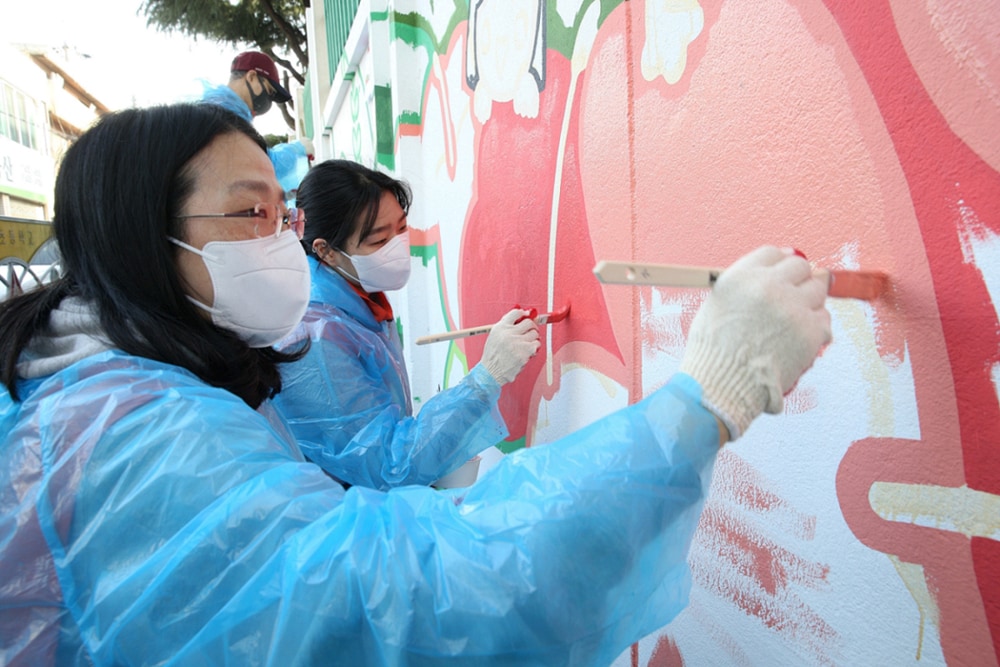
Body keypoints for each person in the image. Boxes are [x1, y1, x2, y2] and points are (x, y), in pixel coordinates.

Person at [0, 103, 831, 666]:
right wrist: (705, 398)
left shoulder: (119, 387)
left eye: (280, 212)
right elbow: (409, 596)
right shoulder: (139, 437)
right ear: (144, 238)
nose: (281, 239)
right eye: (253, 214)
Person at [271, 159, 539, 489]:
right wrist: (487, 378)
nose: (398, 246)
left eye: (401, 228)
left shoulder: (357, 300)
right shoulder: (315, 340)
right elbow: (386, 464)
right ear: (326, 251)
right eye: (379, 240)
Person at [200, 50, 314, 195]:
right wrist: (297, 151)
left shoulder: (226, 113)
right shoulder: (220, 117)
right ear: (252, 77)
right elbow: (254, 167)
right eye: (269, 91)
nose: (269, 101)